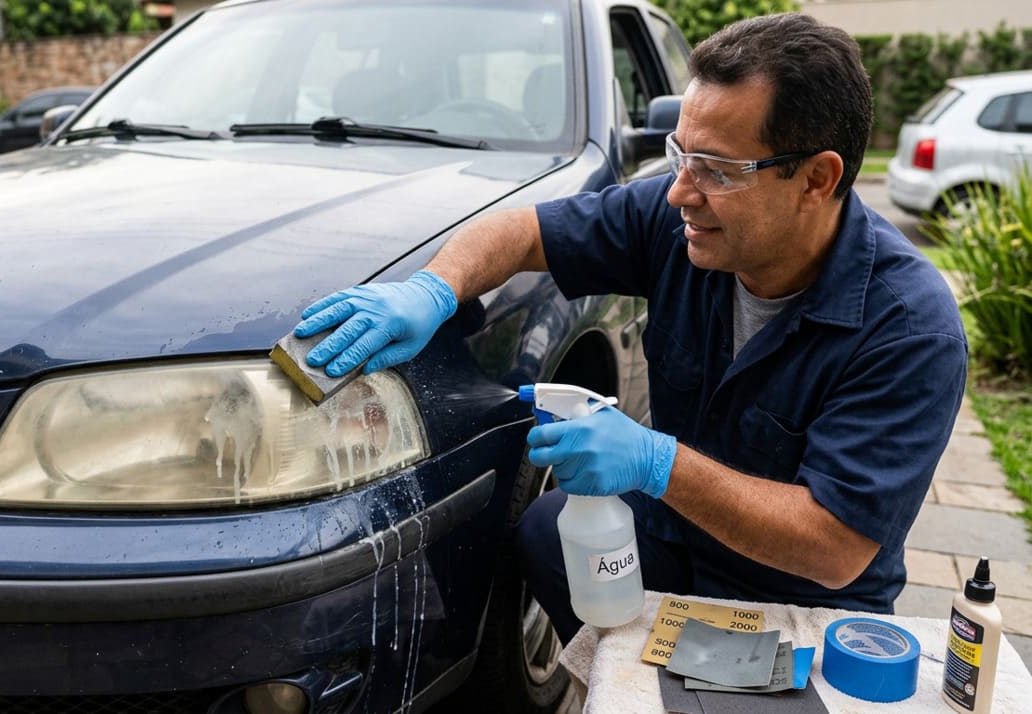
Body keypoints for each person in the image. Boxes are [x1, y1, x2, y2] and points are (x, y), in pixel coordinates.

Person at [289, 12, 967, 644]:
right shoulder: (676, 219)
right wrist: (433, 287)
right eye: (681, 154)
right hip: (679, 539)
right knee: (552, 533)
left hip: (802, 602)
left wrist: (656, 463)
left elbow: (834, 546)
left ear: (817, 179)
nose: (680, 192)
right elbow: (523, 231)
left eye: (718, 170)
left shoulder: (907, 329)